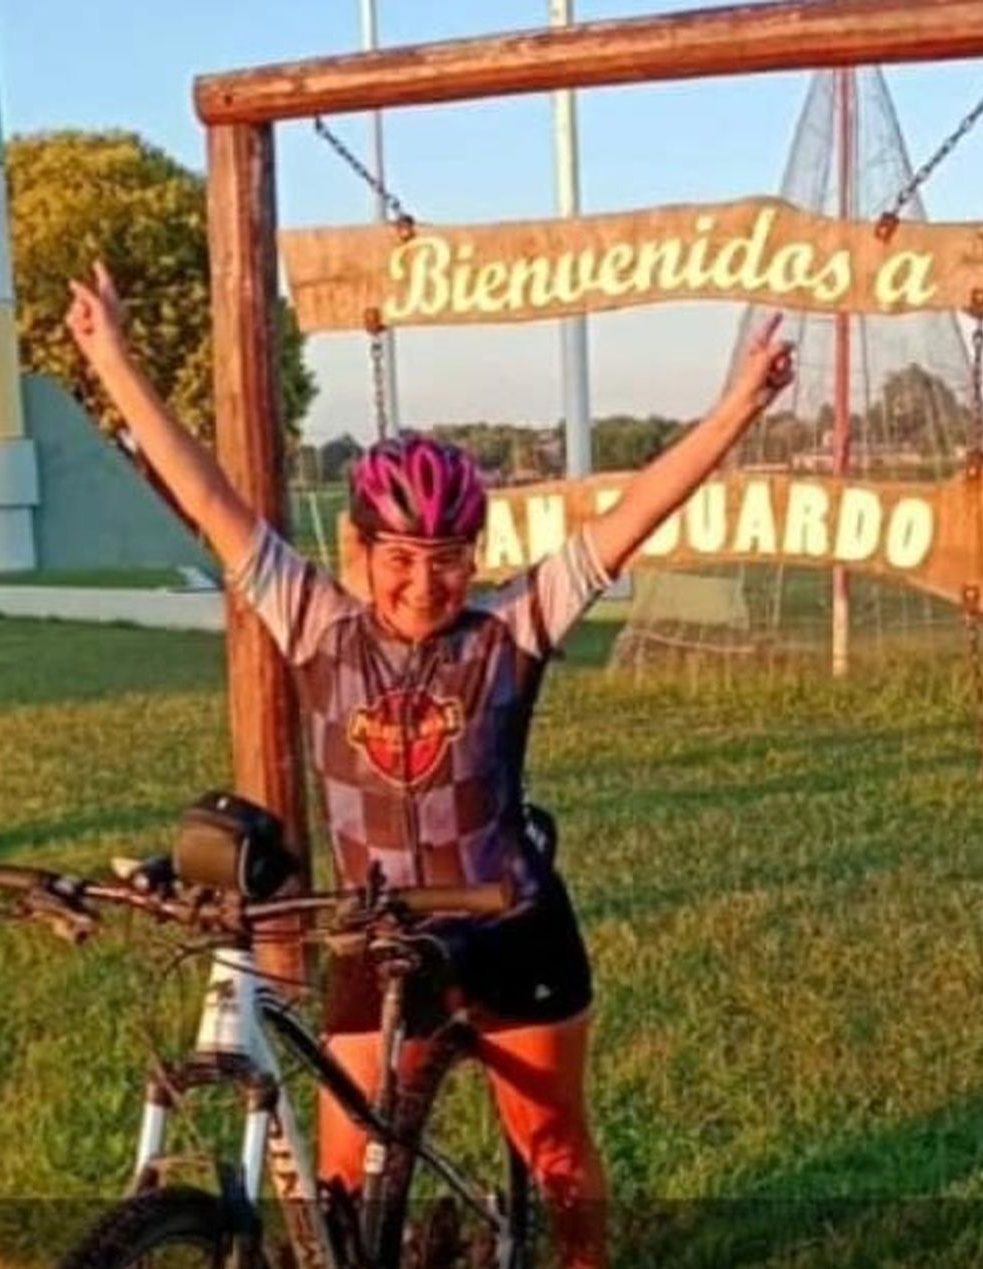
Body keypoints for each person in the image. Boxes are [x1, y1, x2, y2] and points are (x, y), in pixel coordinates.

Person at [65, 261, 794, 1268]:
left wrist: (737, 409)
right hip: (380, 931)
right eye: (400, 555)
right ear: (358, 550)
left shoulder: (511, 630)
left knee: (554, 1151)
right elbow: (211, 497)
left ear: (475, 553)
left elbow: (634, 516)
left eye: (449, 555)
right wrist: (110, 356)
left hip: (510, 924)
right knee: (338, 1193)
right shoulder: (319, 625)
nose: (424, 580)